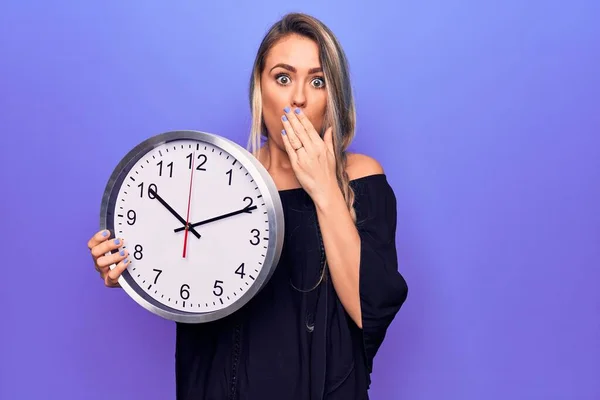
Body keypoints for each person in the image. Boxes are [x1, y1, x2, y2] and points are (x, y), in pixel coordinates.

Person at [87, 12, 408, 400]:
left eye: (317, 80)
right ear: (261, 87)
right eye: (283, 77)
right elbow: (184, 266)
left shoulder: (359, 175)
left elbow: (368, 309)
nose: (299, 97)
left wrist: (324, 188)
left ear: (333, 95)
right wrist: (125, 268)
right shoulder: (222, 176)